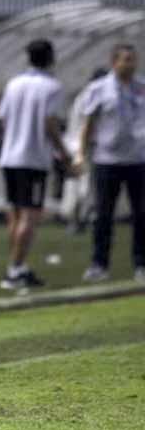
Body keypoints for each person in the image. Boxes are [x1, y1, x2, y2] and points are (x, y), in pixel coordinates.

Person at [0, 40, 72, 291]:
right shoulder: (52, 87)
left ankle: (18, 264)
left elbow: (4, 119)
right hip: (33, 158)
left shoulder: (13, 83)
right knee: (30, 215)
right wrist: (64, 153)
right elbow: (50, 124)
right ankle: (14, 270)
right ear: (51, 58)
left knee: (16, 213)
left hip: (10, 157)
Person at [74, 44, 145, 284]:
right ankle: (99, 264)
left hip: (138, 159)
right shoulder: (99, 89)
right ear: (114, 62)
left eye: (133, 60)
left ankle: (141, 264)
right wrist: (81, 154)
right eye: (126, 60)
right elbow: (88, 125)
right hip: (107, 160)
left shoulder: (141, 88)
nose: (131, 64)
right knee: (104, 215)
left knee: (142, 214)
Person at [61, 69, 108, 234]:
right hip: (84, 147)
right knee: (85, 186)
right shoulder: (92, 96)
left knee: (77, 185)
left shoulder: (83, 96)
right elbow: (87, 126)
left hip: (75, 146)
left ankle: (76, 219)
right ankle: (80, 219)